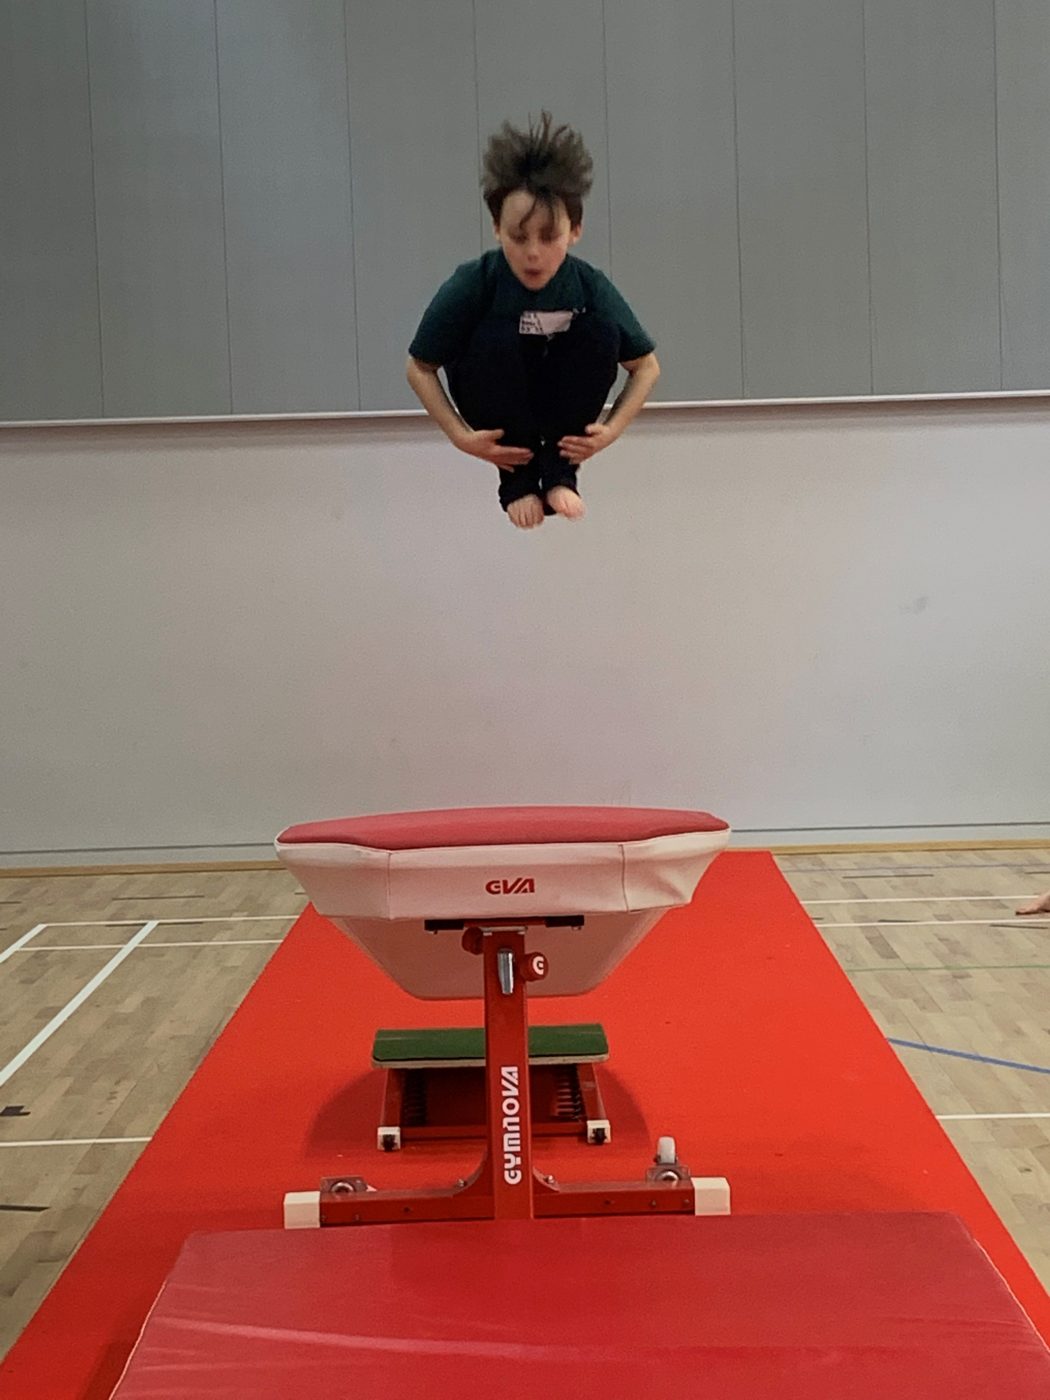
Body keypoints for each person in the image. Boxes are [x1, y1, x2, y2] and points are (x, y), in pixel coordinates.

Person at [406, 112, 660, 529]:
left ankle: (560, 474)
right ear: (496, 229)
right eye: (519, 237)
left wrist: (611, 430)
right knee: (490, 336)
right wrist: (461, 437)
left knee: (599, 332)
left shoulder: (587, 284)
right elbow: (419, 367)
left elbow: (646, 366)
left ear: (575, 230)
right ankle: (518, 481)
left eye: (549, 237)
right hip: (500, 400)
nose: (533, 254)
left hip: (558, 404)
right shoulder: (475, 282)